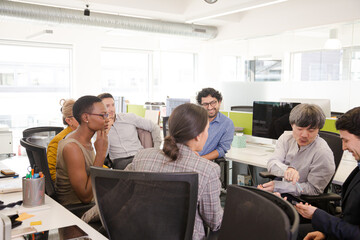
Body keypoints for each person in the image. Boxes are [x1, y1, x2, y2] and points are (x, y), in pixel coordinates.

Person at [125, 103, 223, 240]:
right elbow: (215, 222)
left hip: (141, 233)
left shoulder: (142, 156)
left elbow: (120, 191)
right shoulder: (208, 170)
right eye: (207, 129)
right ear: (198, 135)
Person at [295, 107, 360, 240]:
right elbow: (349, 218)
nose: (343, 147)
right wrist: (326, 232)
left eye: (346, 140)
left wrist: (317, 215)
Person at [260, 104, 335, 196]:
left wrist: (279, 187)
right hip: (283, 188)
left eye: (311, 130)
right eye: (299, 129)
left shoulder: (323, 152)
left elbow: (313, 189)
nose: (304, 135)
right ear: (292, 125)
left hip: (302, 197)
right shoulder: (286, 138)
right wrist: (287, 170)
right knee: (249, 196)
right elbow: (272, 163)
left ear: (318, 129)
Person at [55, 95, 109, 206]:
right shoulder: (72, 148)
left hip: (94, 201)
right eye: (102, 115)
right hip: (77, 209)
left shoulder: (86, 141)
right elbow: (85, 197)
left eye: (106, 115)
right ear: (85, 118)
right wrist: (101, 154)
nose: (107, 119)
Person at [97, 93, 161, 169]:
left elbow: (154, 127)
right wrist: (106, 131)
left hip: (139, 156)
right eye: (107, 106)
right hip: (120, 161)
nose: (112, 109)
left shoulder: (129, 118)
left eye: (113, 105)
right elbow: (103, 154)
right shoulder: (99, 128)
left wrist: (156, 150)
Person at [196, 87, 235, 160]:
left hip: (204, 162)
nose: (210, 107)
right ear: (200, 105)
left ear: (219, 102)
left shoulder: (227, 123)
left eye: (213, 102)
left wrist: (200, 160)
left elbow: (222, 149)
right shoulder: (193, 119)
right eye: (205, 104)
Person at [47, 99, 79, 182]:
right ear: (69, 121)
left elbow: (91, 163)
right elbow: (51, 173)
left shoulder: (83, 136)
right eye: (78, 116)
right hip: (69, 187)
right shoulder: (58, 141)